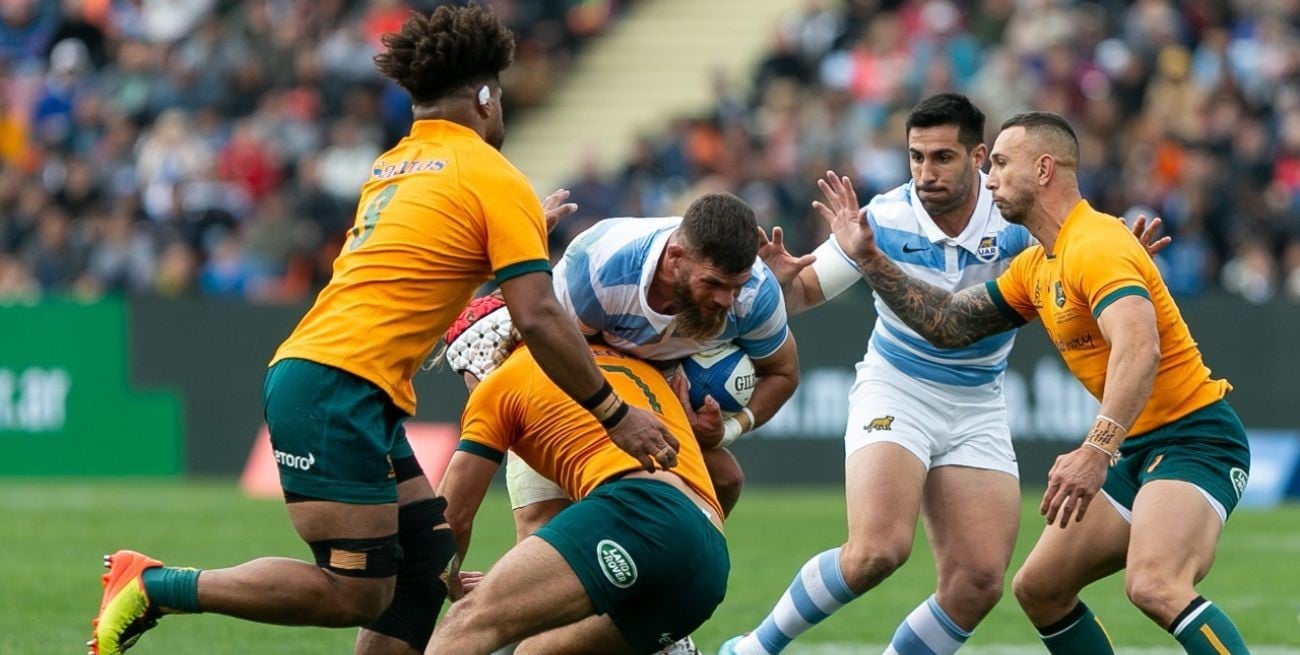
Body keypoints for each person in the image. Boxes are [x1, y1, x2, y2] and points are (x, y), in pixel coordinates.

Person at [89, 7, 676, 655]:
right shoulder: (492, 175)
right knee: (357, 592)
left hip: (334, 379)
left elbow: (419, 266)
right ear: (484, 97)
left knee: (426, 558)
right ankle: (153, 584)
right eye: (500, 97)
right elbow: (537, 315)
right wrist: (613, 413)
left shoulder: (394, 166)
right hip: (335, 387)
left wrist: (514, 229)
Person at [721, 93, 1168, 655]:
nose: (925, 173)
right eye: (915, 157)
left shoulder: (1016, 218)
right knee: (876, 551)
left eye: (942, 158)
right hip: (897, 387)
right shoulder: (884, 217)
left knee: (978, 582)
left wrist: (1118, 261)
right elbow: (808, 290)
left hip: (978, 400)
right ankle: (752, 649)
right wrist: (782, 283)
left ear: (980, 157)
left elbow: (1078, 266)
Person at [818, 111, 1250, 654]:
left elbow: (1140, 350)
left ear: (1044, 169)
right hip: (1136, 444)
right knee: (1040, 589)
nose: (988, 178)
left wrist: (1095, 450)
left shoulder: (1096, 245)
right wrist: (869, 259)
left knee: (1154, 584)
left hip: (1195, 438)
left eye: (999, 163)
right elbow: (947, 323)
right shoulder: (1037, 265)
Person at [425, 295, 729, 655]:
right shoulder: (633, 362)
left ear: (477, 364)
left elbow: (451, 519)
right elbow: (729, 478)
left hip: (642, 513)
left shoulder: (499, 384)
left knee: (466, 625)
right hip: (709, 563)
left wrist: (450, 583)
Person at [506, 191, 801, 539]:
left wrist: (727, 430)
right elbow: (553, 350)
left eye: (734, 286)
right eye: (713, 284)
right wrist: (616, 415)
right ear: (676, 257)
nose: (725, 300)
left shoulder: (755, 294)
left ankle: (654, 577)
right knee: (543, 519)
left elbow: (783, 372)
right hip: (576, 372)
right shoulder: (600, 268)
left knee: (724, 481)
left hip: (657, 382)